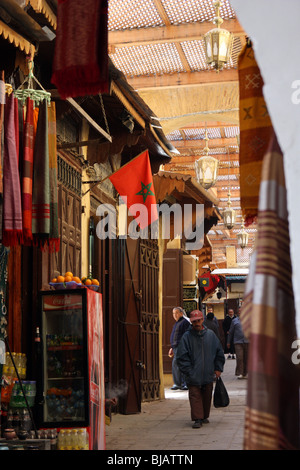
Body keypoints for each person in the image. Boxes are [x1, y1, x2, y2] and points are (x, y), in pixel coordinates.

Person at [176, 310, 225, 428]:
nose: (196, 323)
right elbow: (181, 357)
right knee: (195, 395)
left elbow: (219, 352)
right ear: (191, 322)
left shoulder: (211, 335)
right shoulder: (186, 337)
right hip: (193, 374)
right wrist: (188, 371)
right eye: (194, 321)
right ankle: (197, 418)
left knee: (207, 395)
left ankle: (204, 416)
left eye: (198, 321)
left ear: (202, 320)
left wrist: (218, 368)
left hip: (208, 373)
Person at [168, 307, 190, 390]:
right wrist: (172, 347)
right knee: (176, 365)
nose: (175, 315)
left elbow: (186, 335)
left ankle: (184, 383)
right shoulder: (176, 323)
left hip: (182, 347)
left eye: (176, 313)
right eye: (173, 313)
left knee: (182, 364)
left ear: (181, 313)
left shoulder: (185, 322)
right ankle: (178, 383)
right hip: (175, 347)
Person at [227, 307, 249, 379]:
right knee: (239, 357)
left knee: (246, 357)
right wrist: (228, 342)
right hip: (238, 341)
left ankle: (246, 372)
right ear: (237, 313)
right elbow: (231, 332)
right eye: (239, 311)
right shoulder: (234, 321)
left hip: (247, 341)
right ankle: (240, 372)